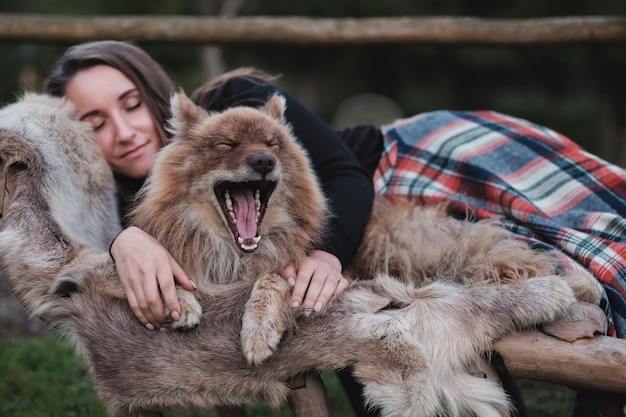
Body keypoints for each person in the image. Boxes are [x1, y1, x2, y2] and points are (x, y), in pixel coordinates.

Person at [45, 40, 626, 417]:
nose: (123, 130)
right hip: (365, 230)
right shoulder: (125, 202)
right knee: (357, 320)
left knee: (575, 240)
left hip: (404, 164)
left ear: (152, 92)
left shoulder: (234, 103)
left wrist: (323, 255)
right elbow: (68, 247)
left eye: (129, 103)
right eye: (96, 122)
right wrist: (125, 237)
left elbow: (346, 175)